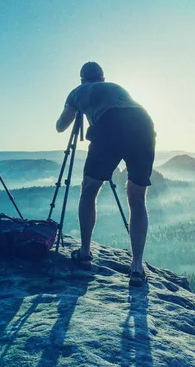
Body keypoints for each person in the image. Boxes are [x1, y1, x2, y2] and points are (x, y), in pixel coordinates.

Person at [56, 61, 156, 287]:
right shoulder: (117, 87)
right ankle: (137, 267)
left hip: (108, 126)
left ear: (82, 80)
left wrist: (77, 109)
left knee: (89, 190)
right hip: (143, 125)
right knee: (137, 197)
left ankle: (84, 254)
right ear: (102, 78)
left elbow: (61, 126)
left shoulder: (77, 92)